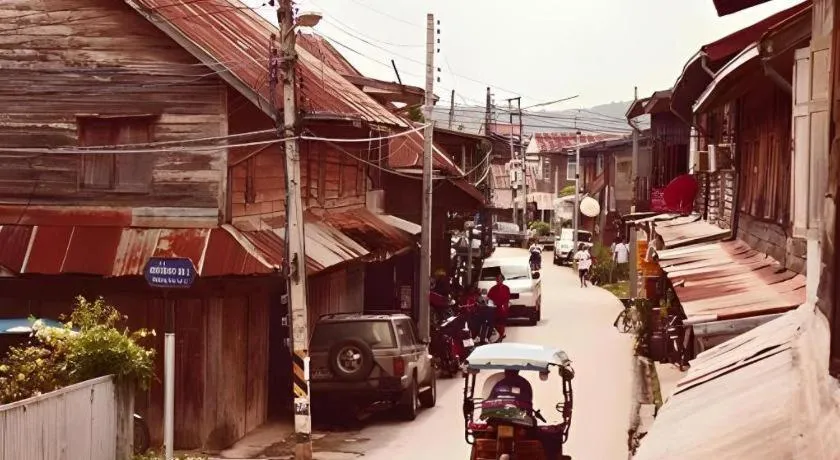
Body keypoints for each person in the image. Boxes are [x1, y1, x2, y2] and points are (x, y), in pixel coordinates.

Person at [487, 274, 511, 341]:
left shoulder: (506, 288)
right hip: (495, 308)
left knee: (502, 323)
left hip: (503, 308)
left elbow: (507, 298)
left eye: (500, 279)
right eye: (497, 279)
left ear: (503, 279)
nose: (499, 280)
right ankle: (500, 335)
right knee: (495, 323)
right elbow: (489, 297)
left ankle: (501, 336)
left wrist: (505, 305)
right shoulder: (493, 288)